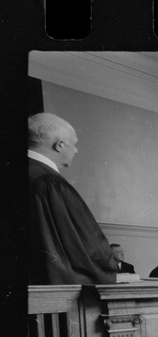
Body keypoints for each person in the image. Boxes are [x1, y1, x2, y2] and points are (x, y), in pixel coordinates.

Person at [28, 112, 118, 285]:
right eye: (74, 144)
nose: (76, 150)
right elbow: (87, 247)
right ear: (59, 145)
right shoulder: (49, 183)